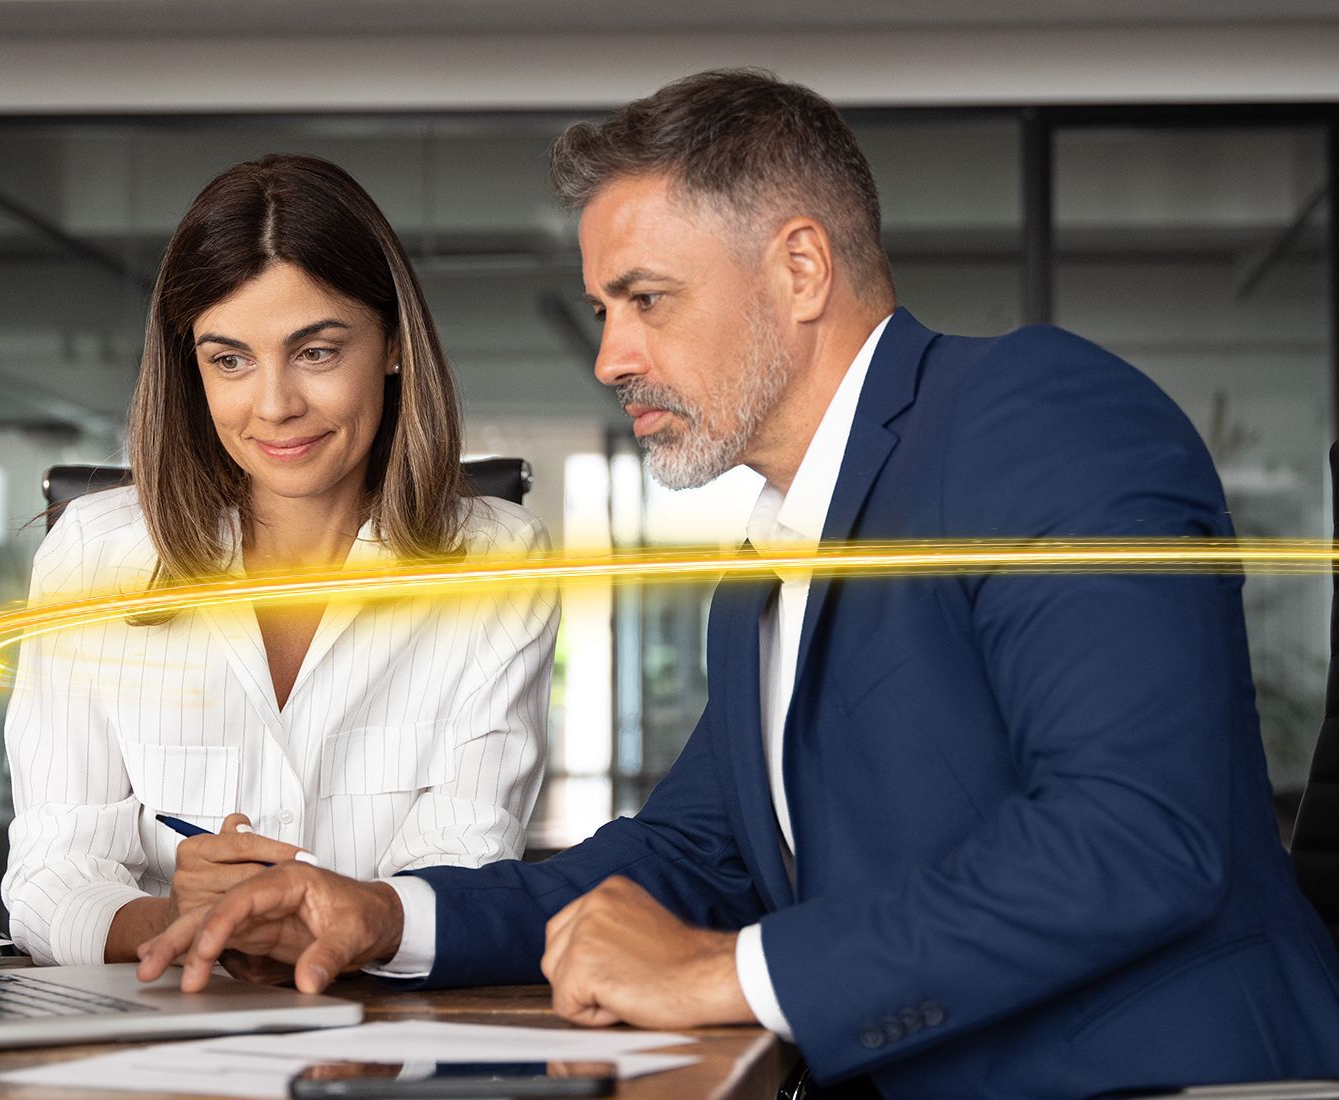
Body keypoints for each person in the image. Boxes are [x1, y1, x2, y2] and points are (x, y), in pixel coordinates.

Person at [136, 73, 1339, 1094]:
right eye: (607, 309)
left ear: (801, 267)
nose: (611, 354)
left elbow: (1134, 833)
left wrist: (731, 972)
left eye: (646, 300)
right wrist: (383, 914)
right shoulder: (764, 574)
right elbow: (684, 857)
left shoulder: (1036, 417)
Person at [1, 155, 561, 971]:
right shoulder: (92, 555)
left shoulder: (500, 562)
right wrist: (170, 917)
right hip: (161, 1039)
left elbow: (461, 867)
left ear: (393, 346)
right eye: (229, 360)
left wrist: (313, 916)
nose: (273, 405)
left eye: (317, 352)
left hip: (385, 1045)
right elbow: (51, 873)